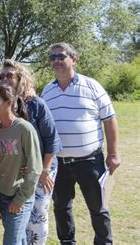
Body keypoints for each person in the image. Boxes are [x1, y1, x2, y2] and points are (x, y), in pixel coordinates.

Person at [41, 42, 120, 244]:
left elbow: (110, 120)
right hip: (59, 164)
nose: (56, 61)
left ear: (74, 60)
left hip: (90, 161)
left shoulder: (92, 86)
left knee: (98, 207)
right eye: (53, 57)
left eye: (61, 56)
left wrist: (113, 154)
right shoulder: (47, 92)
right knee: (61, 208)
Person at [0, 60, 62, 244]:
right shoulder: (2, 106)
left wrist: (43, 170)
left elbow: (51, 140)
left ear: (21, 79)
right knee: (18, 218)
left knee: (37, 218)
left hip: (42, 169)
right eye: (1, 76)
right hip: (16, 171)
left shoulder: (36, 104)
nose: (5, 79)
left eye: (10, 76)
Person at [0, 84, 42, 245]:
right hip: (2, 197)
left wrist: (20, 199)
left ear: (9, 102)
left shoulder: (24, 129)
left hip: (19, 197)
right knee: (19, 240)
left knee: (11, 241)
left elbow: (35, 168)